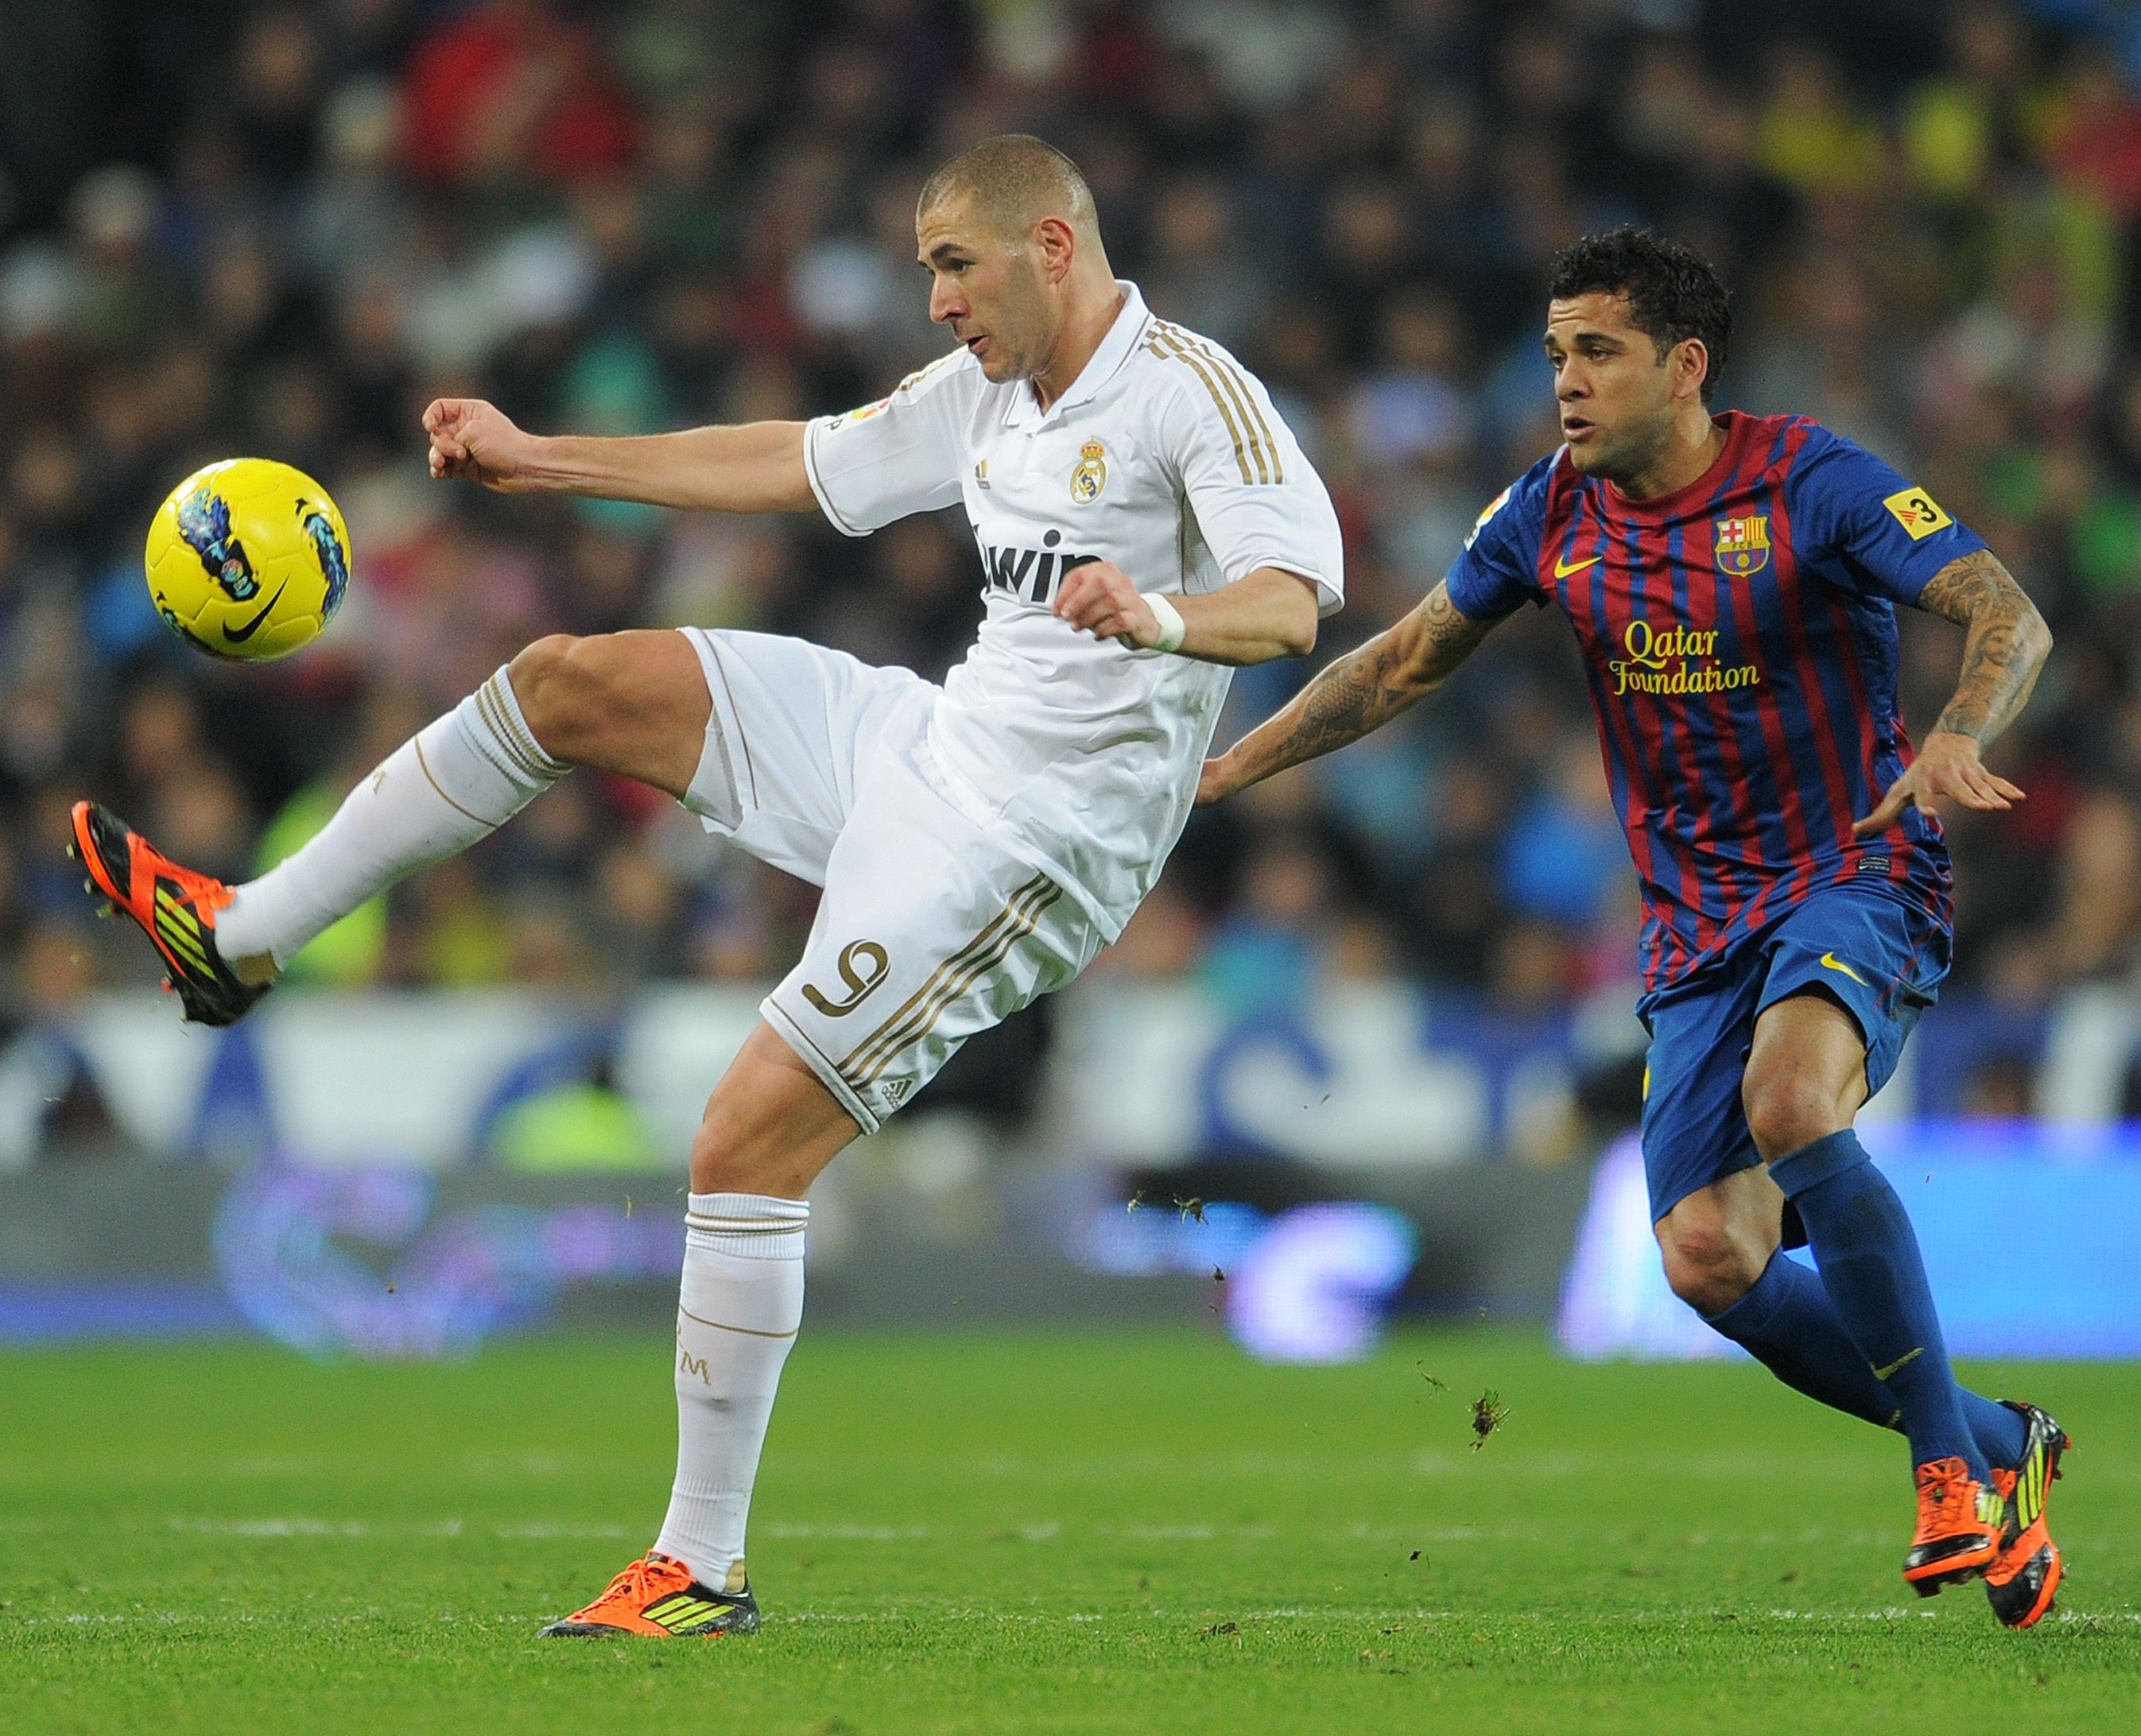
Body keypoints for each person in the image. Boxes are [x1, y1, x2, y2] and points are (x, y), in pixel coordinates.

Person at [69, 134, 1344, 1637]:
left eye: (954, 266)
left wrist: (1164, 618)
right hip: (921, 744)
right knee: (567, 684)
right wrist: (542, 461)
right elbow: (797, 460)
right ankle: (240, 936)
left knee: (743, 1137)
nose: (934, 303)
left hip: (1031, 846)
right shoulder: (991, 395)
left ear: (1053, 247)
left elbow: (1293, 598)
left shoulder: (1193, 394)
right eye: (928, 267)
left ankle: (700, 1564)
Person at [1197, 227, 2069, 1628]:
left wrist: (1958, 734)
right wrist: (1236, 765)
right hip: (1695, 934)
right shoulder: (1550, 512)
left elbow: (2004, 613)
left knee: (1796, 1103)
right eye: (1555, 355)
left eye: (1597, 352)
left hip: (1855, 873)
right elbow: (1406, 657)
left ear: (1687, 366)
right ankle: (1998, 1446)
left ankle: (1946, 1486)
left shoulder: (1811, 479)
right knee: (1706, 1260)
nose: (1566, 383)